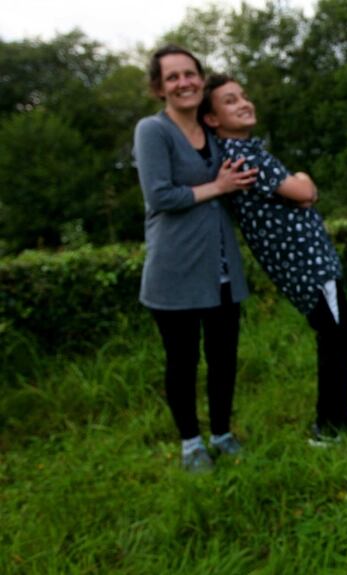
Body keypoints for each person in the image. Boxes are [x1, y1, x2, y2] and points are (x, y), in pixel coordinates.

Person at [199, 74, 347, 445]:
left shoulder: (242, 153)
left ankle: (339, 413)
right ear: (212, 119)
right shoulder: (244, 157)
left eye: (244, 96)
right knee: (337, 339)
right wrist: (302, 180)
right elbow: (304, 191)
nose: (244, 103)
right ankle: (330, 425)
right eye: (230, 101)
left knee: (335, 335)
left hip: (305, 264)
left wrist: (300, 192)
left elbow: (298, 197)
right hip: (309, 265)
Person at [133, 46, 257, 472]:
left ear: (201, 80)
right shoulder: (153, 131)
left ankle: (221, 434)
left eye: (190, 74)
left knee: (224, 358)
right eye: (172, 77)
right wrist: (219, 187)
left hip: (223, 269)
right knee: (182, 362)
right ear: (159, 88)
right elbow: (160, 195)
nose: (184, 82)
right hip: (175, 271)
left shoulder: (213, 134)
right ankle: (191, 443)